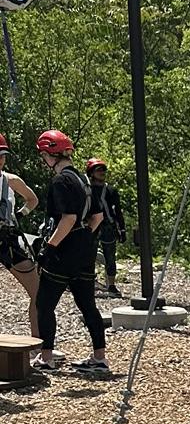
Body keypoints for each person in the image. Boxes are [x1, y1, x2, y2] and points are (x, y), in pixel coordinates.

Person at [32, 130, 109, 375]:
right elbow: (97, 216)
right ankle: (99, 358)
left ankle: (46, 358)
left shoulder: (60, 181)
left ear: (50, 155)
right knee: (87, 304)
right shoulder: (83, 180)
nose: (43, 159)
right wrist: (84, 237)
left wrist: (50, 247)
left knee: (44, 303)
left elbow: (68, 218)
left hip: (64, 250)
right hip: (85, 249)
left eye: (43, 155)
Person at [0, 133, 41, 338]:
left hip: (8, 240)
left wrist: (19, 214)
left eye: (2, 155)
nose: (1, 160)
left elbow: (33, 200)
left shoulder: (11, 180)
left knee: (38, 291)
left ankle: (38, 344)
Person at [84, 159, 126, 299]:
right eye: (98, 170)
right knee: (89, 255)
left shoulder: (111, 190)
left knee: (110, 257)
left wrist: (122, 229)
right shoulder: (87, 190)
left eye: (103, 170)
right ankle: (89, 283)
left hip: (108, 226)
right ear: (91, 173)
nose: (102, 172)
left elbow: (117, 211)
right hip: (92, 226)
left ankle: (111, 285)